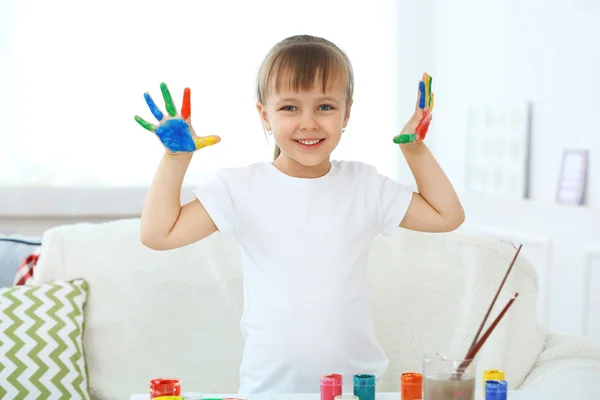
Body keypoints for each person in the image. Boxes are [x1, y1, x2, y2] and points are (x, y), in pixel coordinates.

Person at [135, 34, 465, 394]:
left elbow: (447, 216)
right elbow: (158, 234)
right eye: (290, 108)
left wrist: (415, 150)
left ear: (346, 113)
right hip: (270, 387)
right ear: (265, 115)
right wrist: (175, 158)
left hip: (357, 386)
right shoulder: (240, 188)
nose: (308, 122)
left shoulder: (366, 185)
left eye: (324, 107)